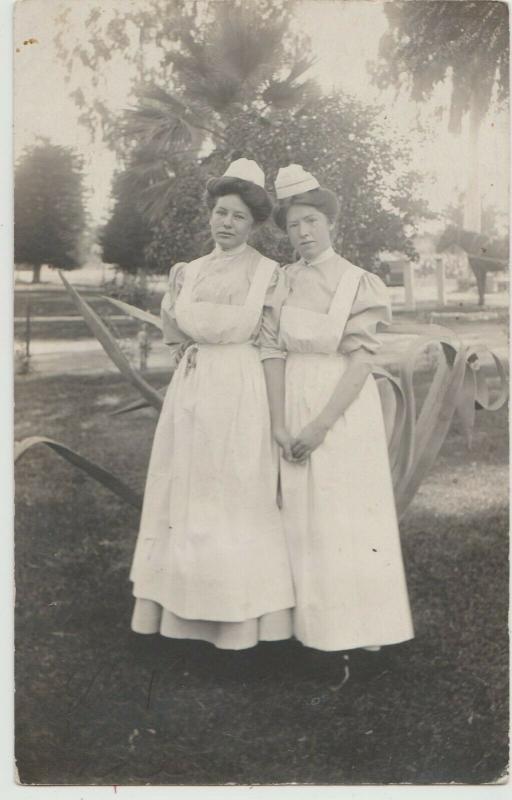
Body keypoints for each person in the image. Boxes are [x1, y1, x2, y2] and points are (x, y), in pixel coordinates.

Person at [129, 158, 295, 650]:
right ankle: (182, 617)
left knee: (237, 497)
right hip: (193, 392)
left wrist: (273, 411)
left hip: (241, 392)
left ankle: (238, 624)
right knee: (183, 496)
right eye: (221, 212)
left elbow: (271, 345)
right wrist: (192, 363)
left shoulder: (268, 274)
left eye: (238, 217)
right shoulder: (188, 272)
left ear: (254, 224)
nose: (226, 223)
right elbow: (174, 332)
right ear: (210, 214)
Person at [272, 164, 414, 653]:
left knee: (340, 514)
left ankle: (355, 633)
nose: (303, 232)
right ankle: (299, 630)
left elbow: (360, 362)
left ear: (330, 223)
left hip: (340, 404)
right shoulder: (282, 280)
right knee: (295, 511)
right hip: (291, 393)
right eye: (293, 225)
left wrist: (321, 424)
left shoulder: (359, 282)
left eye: (310, 220)